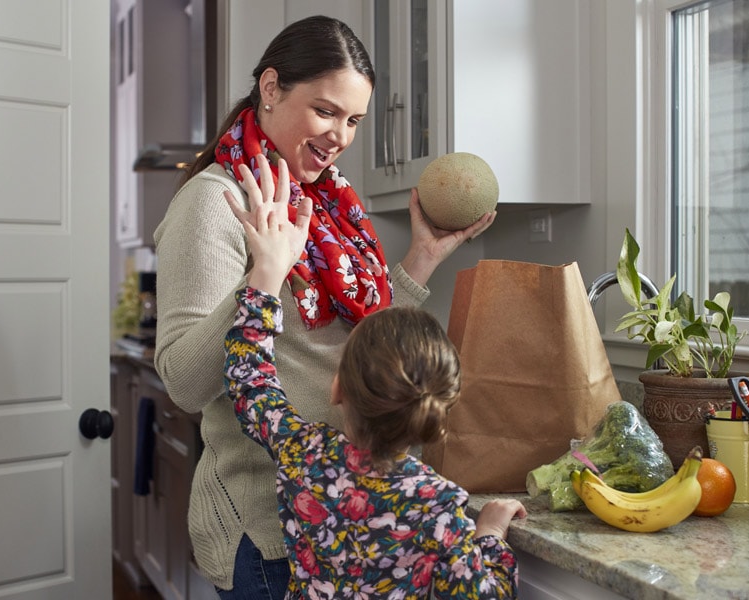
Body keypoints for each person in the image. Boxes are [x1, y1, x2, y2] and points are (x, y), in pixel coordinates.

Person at [153, 15, 495, 599]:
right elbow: (184, 382)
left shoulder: (326, 202)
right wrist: (266, 274)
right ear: (269, 88)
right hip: (272, 534)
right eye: (326, 111)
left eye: (354, 120)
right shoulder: (216, 203)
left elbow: (354, 347)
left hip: (350, 516)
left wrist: (421, 259)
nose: (341, 135)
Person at [223, 158, 526, 598]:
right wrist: (490, 535)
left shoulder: (304, 456)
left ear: (337, 387)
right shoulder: (439, 506)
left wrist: (267, 274)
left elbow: (249, 379)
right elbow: (485, 595)